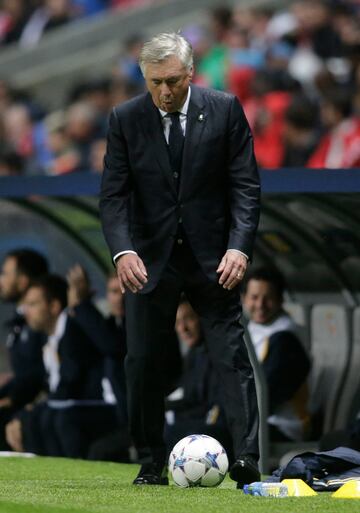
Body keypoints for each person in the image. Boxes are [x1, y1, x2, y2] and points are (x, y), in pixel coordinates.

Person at [99, 32, 261, 488]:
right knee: (142, 360)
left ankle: (246, 457)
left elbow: (245, 185)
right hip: (149, 260)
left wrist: (239, 246)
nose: (164, 92)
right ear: (144, 78)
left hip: (215, 259)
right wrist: (123, 250)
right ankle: (151, 463)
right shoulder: (126, 118)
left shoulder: (225, 108)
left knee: (231, 356)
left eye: (172, 80)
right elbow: (113, 197)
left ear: (191, 73)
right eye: (155, 83)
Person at [242, 267, 311, 442]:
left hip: (283, 426)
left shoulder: (286, 339)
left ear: (280, 300)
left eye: (268, 298)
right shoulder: (252, 329)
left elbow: (268, 396)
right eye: (254, 297)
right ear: (244, 298)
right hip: (257, 421)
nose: (260, 305)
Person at [0, 249, 48, 450]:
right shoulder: (19, 324)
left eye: (5, 273)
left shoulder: (40, 324)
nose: (1, 280)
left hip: (37, 403)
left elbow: (40, 373)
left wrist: (11, 399)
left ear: (22, 281)